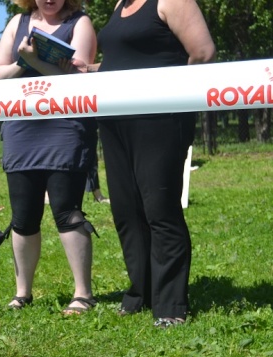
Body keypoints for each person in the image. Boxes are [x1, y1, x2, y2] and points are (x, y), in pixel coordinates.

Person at [76, 0, 215, 327]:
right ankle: (141, 293)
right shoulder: (118, 5)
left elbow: (203, 52)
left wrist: (175, 96)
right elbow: (124, 61)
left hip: (160, 119)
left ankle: (170, 304)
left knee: (159, 209)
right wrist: (88, 70)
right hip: (114, 120)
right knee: (126, 210)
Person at [0, 0, 99, 315]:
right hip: (21, 128)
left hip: (66, 128)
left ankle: (83, 294)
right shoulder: (17, 22)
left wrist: (32, 59)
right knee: (23, 217)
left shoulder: (80, 23)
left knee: (68, 213)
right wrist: (23, 62)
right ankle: (22, 292)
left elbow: (78, 78)